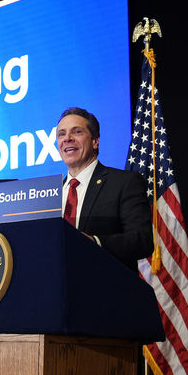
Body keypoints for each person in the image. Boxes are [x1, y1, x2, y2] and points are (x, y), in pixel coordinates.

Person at [56, 107, 153, 270]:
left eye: (77, 132)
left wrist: (95, 242)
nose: (67, 138)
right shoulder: (51, 194)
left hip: (106, 288)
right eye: (61, 134)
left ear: (95, 141)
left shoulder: (124, 182)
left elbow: (142, 240)